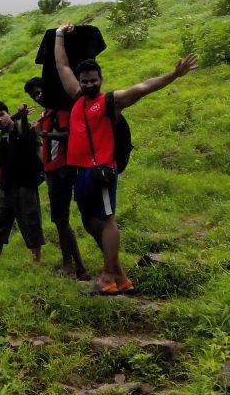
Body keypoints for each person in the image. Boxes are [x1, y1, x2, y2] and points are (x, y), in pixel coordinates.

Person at [54, 22, 198, 294]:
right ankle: (120, 277)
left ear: (101, 79)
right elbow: (62, 66)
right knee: (88, 221)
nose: (87, 84)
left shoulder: (111, 101)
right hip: (80, 171)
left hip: (101, 170)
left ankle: (108, 275)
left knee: (106, 220)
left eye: (92, 80)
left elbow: (144, 87)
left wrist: (174, 75)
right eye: (84, 81)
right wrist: (59, 35)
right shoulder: (76, 97)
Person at [24, 77, 89, 280]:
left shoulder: (61, 110)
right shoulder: (47, 113)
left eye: (40, 91)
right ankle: (78, 267)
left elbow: (70, 134)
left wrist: (44, 134)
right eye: (34, 94)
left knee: (61, 220)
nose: (38, 96)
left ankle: (70, 266)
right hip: (52, 170)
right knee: (61, 221)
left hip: (61, 168)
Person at [0, 101, 45, 263]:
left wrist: (47, 172)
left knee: (31, 219)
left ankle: (36, 260)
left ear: (8, 113)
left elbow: (37, 149)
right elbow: (0, 167)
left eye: (1, 114)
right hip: (7, 186)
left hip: (26, 183)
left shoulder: (25, 129)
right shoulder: (1, 139)